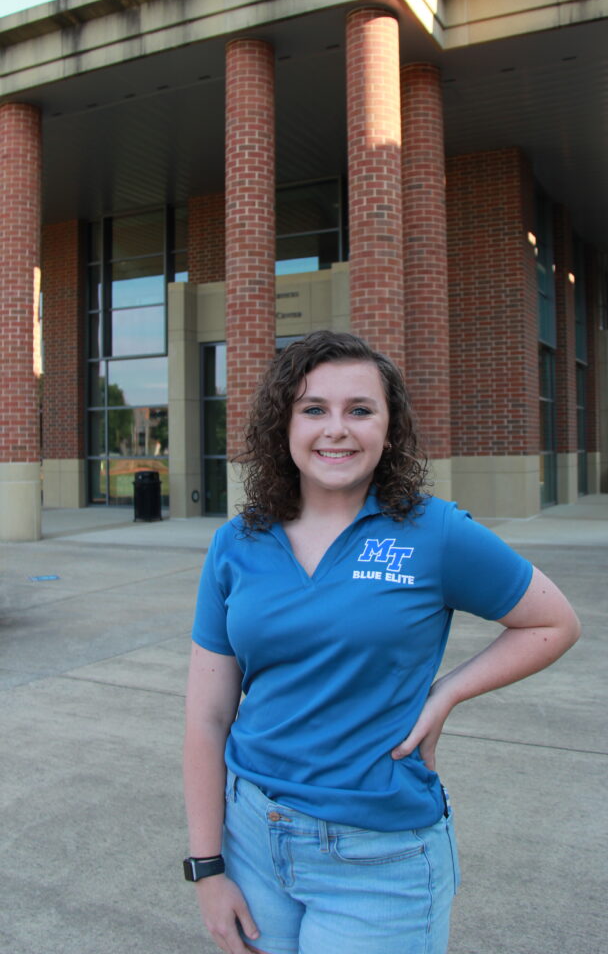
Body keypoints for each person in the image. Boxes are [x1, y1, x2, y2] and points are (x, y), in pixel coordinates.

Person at [183, 330, 581, 954]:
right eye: (313, 409)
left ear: (389, 430)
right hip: (252, 836)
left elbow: (554, 622)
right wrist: (207, 868)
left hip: (380, 858)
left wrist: (446, 693)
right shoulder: (238, 542)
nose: (335, 429)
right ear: (282, 428)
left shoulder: (435, 532)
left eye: (359, 410)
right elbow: (207, 717)